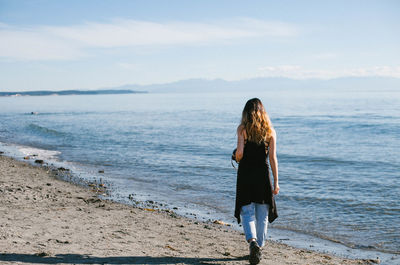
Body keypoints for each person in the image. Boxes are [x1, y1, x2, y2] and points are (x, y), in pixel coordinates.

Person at [234, 98, 279, 265]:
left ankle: (252, 242)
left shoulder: (242, 129)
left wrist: (235, 155)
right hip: (263, 175)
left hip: (246, 174)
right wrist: (276, 182)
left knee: (247, 210)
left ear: (246, 113)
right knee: (263, 213)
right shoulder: (270, 132)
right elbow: (273, 159)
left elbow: (239, 154)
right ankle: (259, 246)